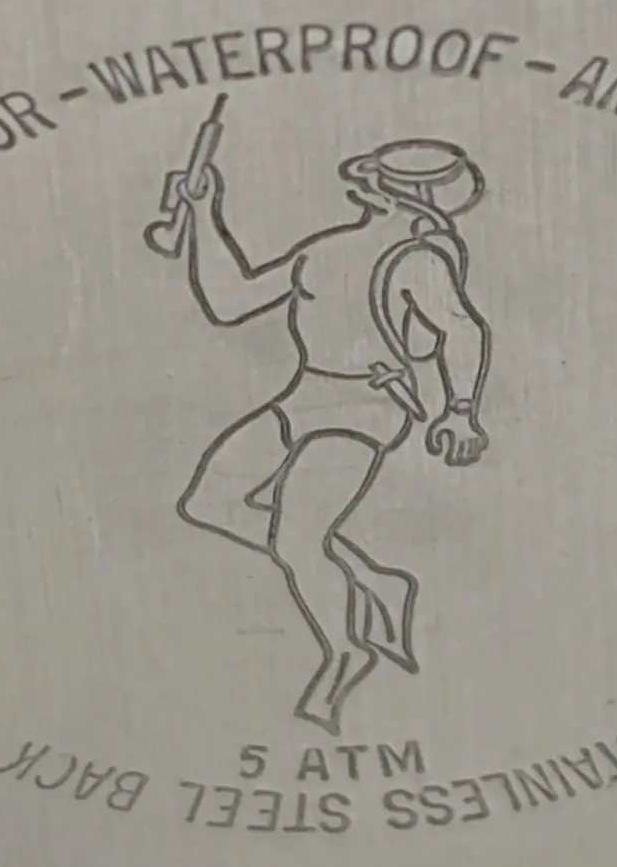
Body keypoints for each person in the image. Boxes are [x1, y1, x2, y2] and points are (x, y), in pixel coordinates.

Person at [160, 131, 493, 734]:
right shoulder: (326, 249)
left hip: (364, 405)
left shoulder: (417, 260)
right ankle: (373, 580)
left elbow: (462, 330)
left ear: (399, 197)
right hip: (306, 393)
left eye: (379, 185)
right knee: (210, 502)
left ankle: (343, 656)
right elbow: (231, 301)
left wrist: (461, 409)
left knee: (298, 540)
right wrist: (204, 214)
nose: (366, 191)